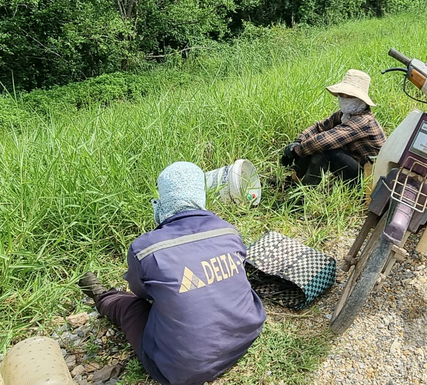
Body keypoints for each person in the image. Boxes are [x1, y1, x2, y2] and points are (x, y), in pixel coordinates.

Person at [78, 161, 266, 385]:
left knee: (129, 306)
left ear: (163, 200)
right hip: (247, 334)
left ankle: (100, 294)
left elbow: (140, 293)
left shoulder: (145, 249)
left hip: (185, 370)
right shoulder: (228, 230)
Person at [281, 69, 386, 186]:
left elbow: (323, 141)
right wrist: (298, 142)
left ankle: (303, 195)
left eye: (349, 96)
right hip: (356, 167)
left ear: (359, 99)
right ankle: (293, 181)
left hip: (369, 179)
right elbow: (318, 128)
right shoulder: (345, 115)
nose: (343, 98)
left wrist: (297, 151)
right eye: (342, 95)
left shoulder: (364, 121)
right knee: (312, 145)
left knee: (324, 149)